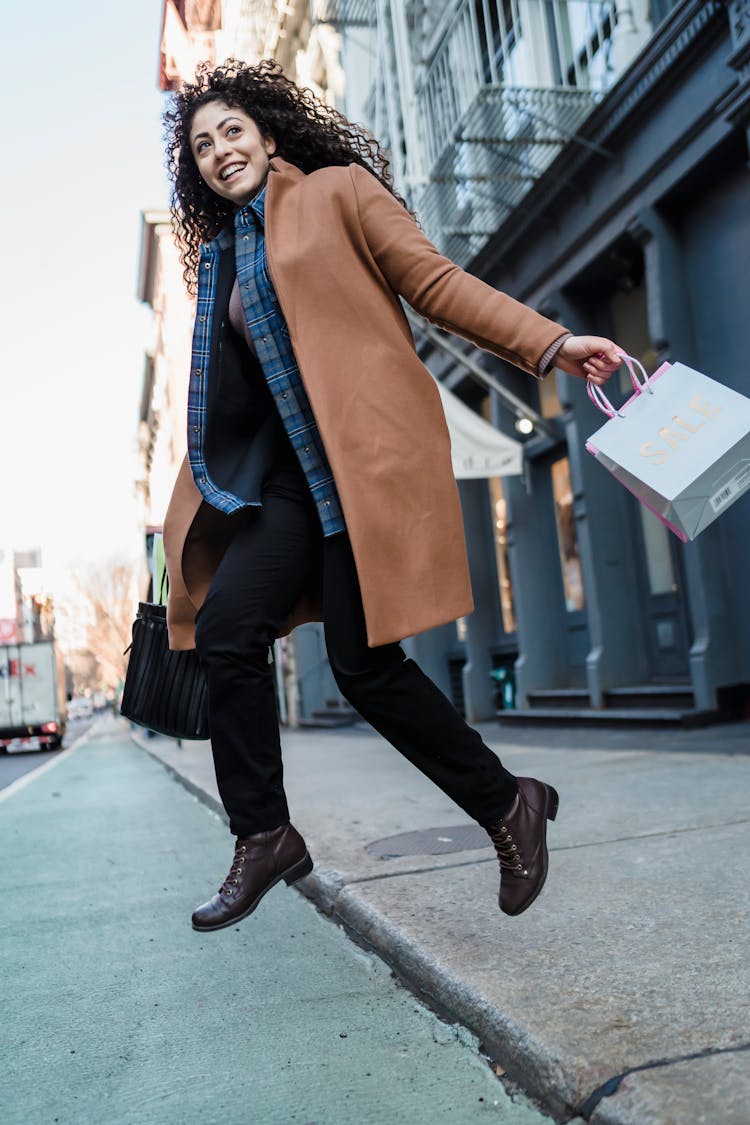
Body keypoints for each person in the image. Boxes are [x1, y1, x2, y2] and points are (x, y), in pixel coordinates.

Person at [161, 59, 622, 932]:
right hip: (293, 484)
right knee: (226, 627)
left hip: (365, 462)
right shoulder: (222, 260)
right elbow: (225, 399)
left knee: (366, 668)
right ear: (197, 171)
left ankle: (507, 804)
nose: (221, 150)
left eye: (232, 131)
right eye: (201, 145)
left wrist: (553, 344)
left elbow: (436, 284)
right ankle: (264, 834)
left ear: (266, 133)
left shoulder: (340, 193)